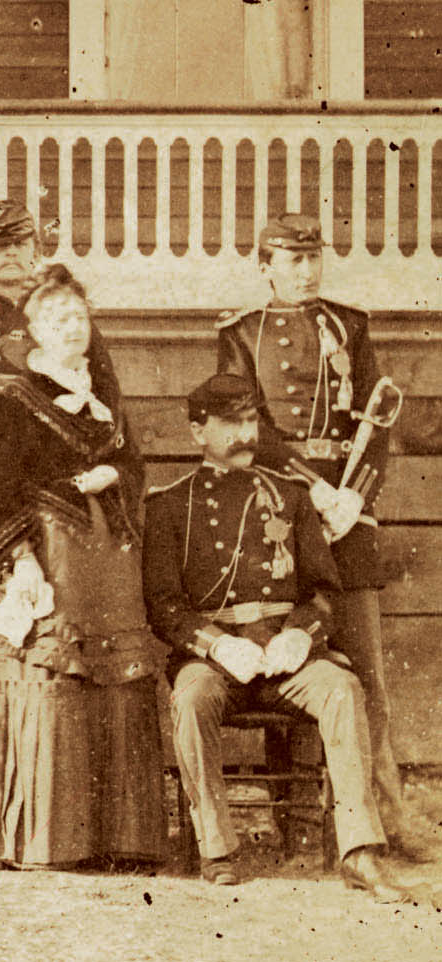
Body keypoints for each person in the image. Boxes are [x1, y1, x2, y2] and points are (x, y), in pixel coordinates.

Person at [0, 264, 165, 869]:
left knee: (110, 680)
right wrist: (22, 562)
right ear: (34, 330)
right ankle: (44, 840)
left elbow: (134, 464)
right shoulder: (16, 399)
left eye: (78, 317)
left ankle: (117, 839)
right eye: (56, 319)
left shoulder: (104, 397)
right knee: (49, 675)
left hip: (106, 571)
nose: (70, 328)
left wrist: (115, 474)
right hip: (47, 560)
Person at [146, 373, 411, 900]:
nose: (244, 435)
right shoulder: (171, 504)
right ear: (199, 432)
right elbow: (163, 606)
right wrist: (217, 644)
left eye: (250, 422)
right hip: (217, 656)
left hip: (287, 653)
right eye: (229, 424)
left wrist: (299, 636)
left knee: (342, 688)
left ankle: (360, 852)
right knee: (193, 697)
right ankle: (217, 848)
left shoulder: (289, 496)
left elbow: (323, 591)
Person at [216, 213, 428, 858]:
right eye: (291, 260)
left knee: (367, 674)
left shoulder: (349, 324)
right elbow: (244, 424)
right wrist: (315, 491)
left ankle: (386, 825)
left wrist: (355, 496)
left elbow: (380, 415)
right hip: (285, 509)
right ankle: (298, 823)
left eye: (313, 259)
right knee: (286, 650)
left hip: (349, 517)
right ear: (266, 266)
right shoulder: (241, 332)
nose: (306, 271)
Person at [0, 200, 120, 403]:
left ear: (35, 253)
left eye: (20, 244)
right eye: (0, 246)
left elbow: (106, 390)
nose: (11, 252)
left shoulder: (68, 315)